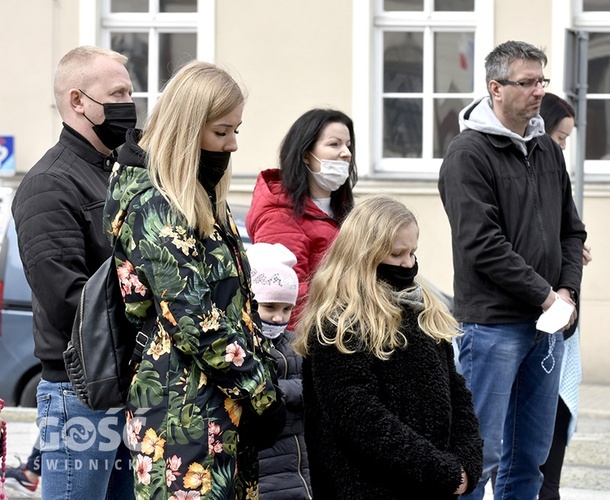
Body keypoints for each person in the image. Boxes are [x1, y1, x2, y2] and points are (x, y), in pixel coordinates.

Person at [103, 60, 280, 499]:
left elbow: (235, 303)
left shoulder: (196, 197)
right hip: (179, 417)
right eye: (222, 132)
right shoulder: (152, 204)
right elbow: (195, 318)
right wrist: (260, 391)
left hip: (218, 409)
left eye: (237, 130)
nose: (233, 145)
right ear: (186, 129)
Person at [438, 40, 587, 499]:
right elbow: (482, 245)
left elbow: (572, 232)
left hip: (546, 325)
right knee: (479, 456)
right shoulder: (469, 153)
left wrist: (567, 291)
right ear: (495, 88)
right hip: (493, 324)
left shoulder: (546, 148)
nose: (539, 91)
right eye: (527, 82)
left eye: (542, 80)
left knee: (531, 458)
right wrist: (548, 297)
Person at [296, 194, 484, 499]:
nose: (408, 264)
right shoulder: (338, 323)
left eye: (412, 252)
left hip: (433, 483)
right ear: (365, 254)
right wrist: (439, 469)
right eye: (397, 254)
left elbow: (457, 392)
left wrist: (466, 464)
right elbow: (358, 415)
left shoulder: (422, 309)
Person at [11, 45, 137, 500]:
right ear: (78, 100)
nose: (129, 102)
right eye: (118, 92)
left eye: (130, 90)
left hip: (123, 388)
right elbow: (68, 298)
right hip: (79, 395)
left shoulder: (117, 173)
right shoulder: (50, 184)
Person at [245, 108, 357, 329]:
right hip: (317, 340)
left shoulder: (342, 211)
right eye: (335, 144)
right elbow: (287, 299)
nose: (346, 153)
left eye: (348, 145)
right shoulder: (280, 216)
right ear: (306, 153)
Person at [538, 92, 593, 500]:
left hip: (562, 323)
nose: (563, 149)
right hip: (535, 324)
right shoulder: (520, 172)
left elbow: (573, 233)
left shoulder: (555, 173)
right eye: (559, 138)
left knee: (549, 457)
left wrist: (568, 284)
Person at [246, 243, 313, 499]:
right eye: (270, 307)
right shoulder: (242, 351)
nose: (278, 318)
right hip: (265, 471)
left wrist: (282, 390)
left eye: (286, 309)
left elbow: (317, 388)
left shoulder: (297, 344)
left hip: (302, 467)